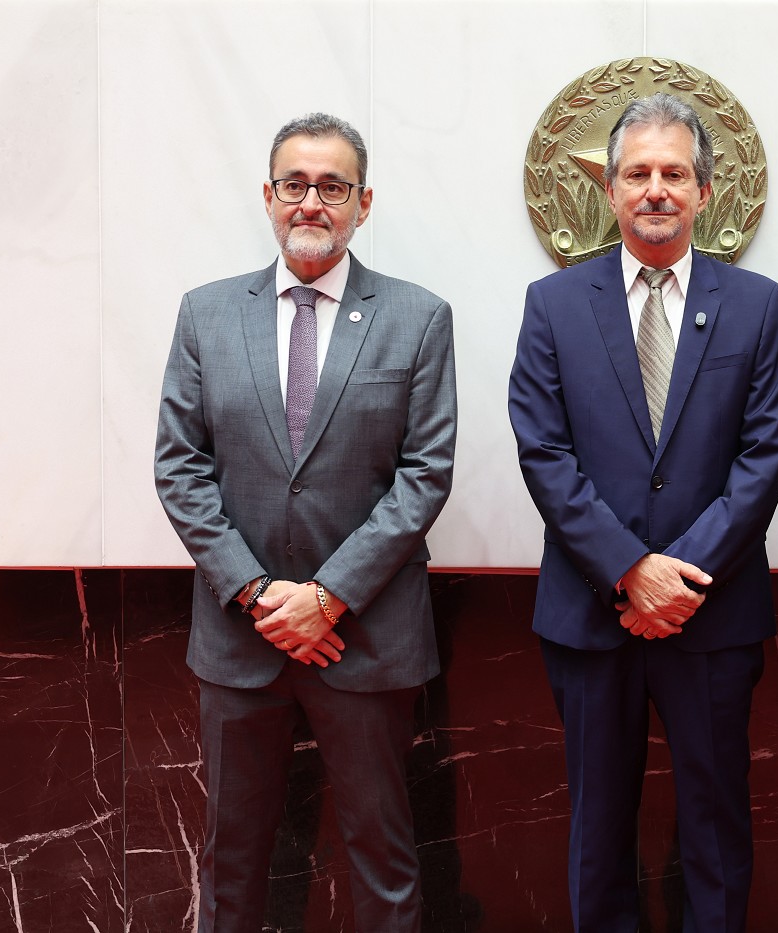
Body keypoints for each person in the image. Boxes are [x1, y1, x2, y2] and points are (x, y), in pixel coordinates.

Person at [154, 112, 456, 932]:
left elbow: (425, 474)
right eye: (295, 184)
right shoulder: (206, 313)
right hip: (238, 639)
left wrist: (327, 597)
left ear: (364, 202)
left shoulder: (418, 317)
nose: (311, 202)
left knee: (384, 862)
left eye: (332, 186)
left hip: (368, 637)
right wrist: (259, 595)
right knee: (230, 863)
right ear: (268, 195)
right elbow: (179, 467)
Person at [508, 92, 778, 932]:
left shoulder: (757, 304)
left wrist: (681, 578)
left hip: (715, 616)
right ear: (610, 190)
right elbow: (543, 451)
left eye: (674, 172)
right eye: (637, 173)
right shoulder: (553, 304)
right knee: (599, 831)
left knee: (716, 825)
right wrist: (630, 570)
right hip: (590, 614)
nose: (656, 189)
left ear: (705, 190)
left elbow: (765, 456)